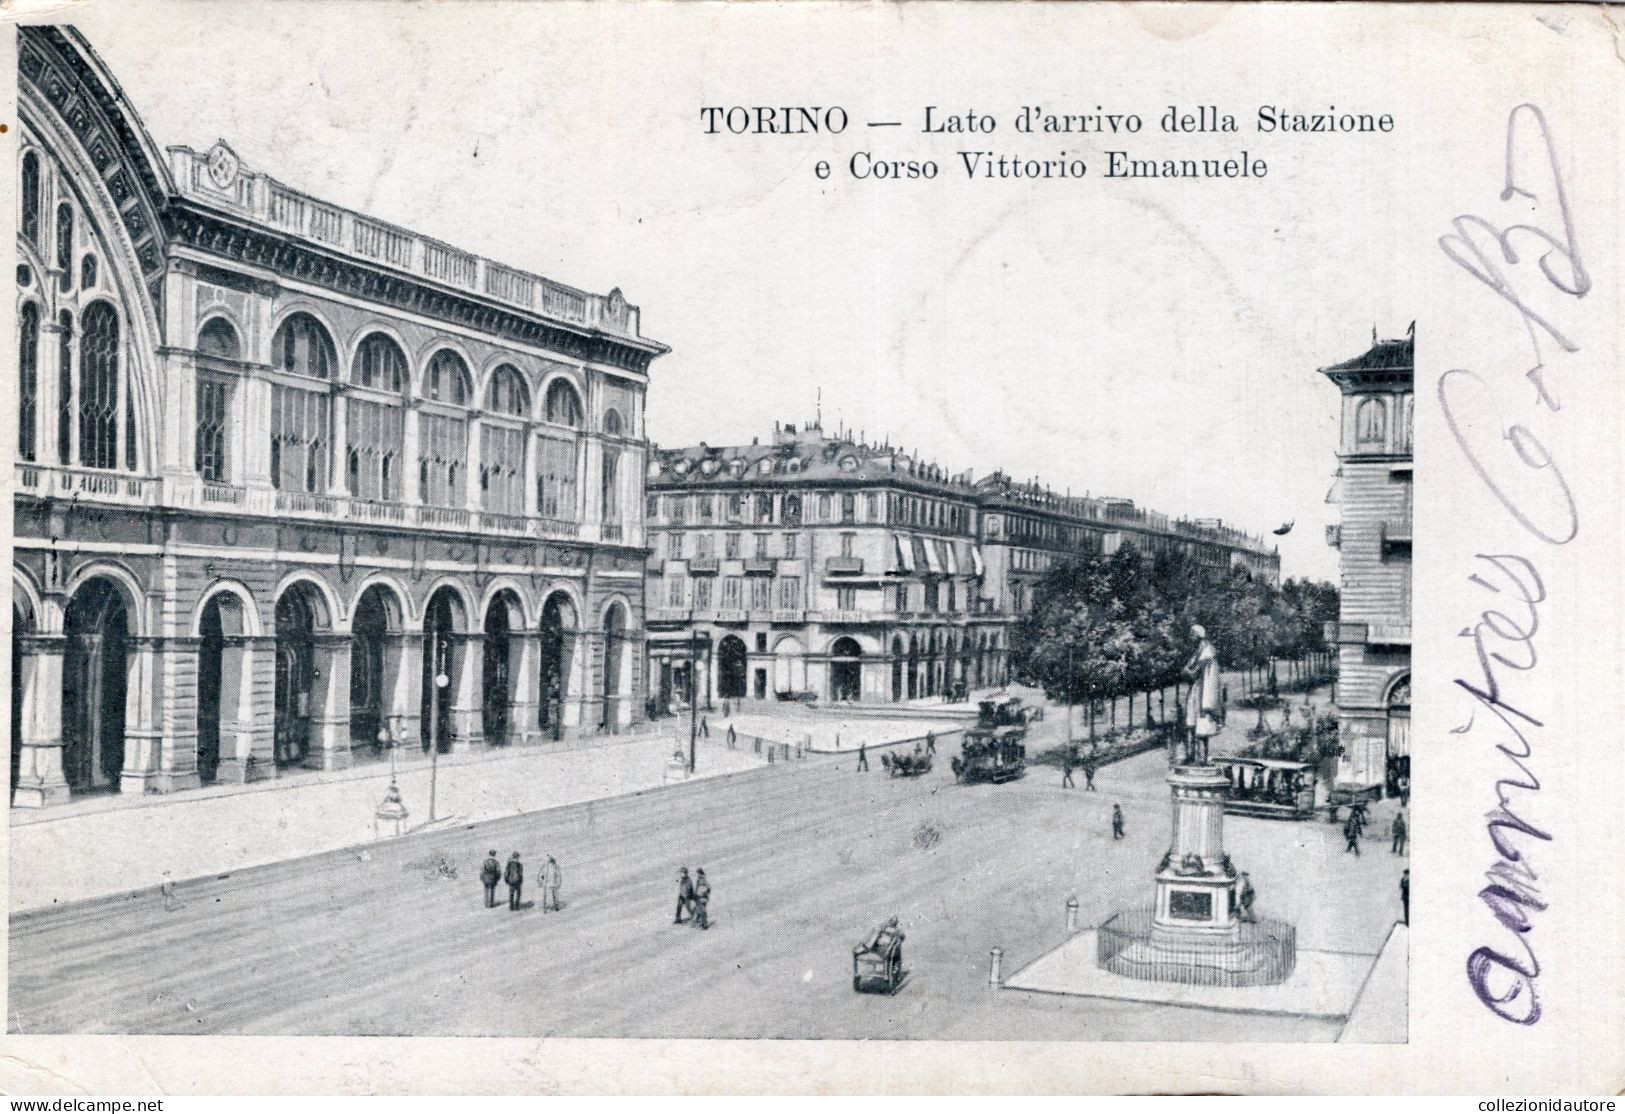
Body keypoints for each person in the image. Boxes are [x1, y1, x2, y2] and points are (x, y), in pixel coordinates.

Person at [1181, 625, 1221, 764]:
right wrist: (1187, 671)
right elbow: (1186, 670)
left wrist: (1187, 671)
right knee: (1192, 724)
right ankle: (1193, 756)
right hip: (1196, 690)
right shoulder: (1199, 651)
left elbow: (1192, 673)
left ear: (1197, 636)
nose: (1190, 639)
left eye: (1192, 635)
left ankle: (1201, 758)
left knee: (1202, 725)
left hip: (1202, 692)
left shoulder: (1207, 652)